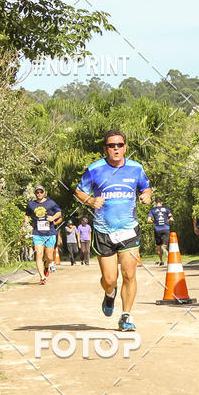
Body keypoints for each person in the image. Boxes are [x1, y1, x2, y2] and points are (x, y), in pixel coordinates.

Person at [74, 130, 151, 331]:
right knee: (109, 280)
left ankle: (126, 316)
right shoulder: (95, 169)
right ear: (105, 148)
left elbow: (146, 187)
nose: (115, 149)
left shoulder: (136, 168)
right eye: (111, 145)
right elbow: (79, 191)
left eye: (119, 145)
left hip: (128, 230)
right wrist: (90, 200)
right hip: (103, 231)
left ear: (125, 147)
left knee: (129, 274)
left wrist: (147, 195)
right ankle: (110, 293)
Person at [26, 185, 62, 285]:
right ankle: (42, 277)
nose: (39, 194)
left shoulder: (51, 203)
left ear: (44, 192)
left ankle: (47, 265)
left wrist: (53, 218)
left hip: (50, 233)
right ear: (35, 193)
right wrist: (26, 223)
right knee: (39, 254)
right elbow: (27, 215)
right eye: (37, 192)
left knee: (49, 257)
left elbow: (59, 212)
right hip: (37, 233)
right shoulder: (31, 204)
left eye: (41, 192)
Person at [147, 197, 174, 265]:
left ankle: (161, 260)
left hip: (157, 229)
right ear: (162, 202)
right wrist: (167, 221)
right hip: (165, 228)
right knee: (165, 244)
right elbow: (171, 218)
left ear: (155, 203)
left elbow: (148, 220)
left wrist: (154, 222)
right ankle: (164, 247)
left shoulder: (152, 210)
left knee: (158, 246)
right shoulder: (166, 209)